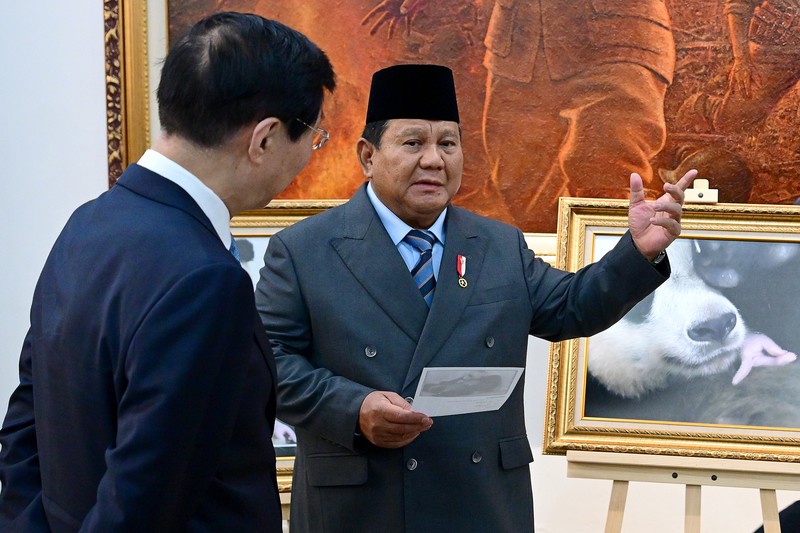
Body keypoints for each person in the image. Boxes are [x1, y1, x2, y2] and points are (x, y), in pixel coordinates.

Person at [256, 63, 695, 532]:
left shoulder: (497, 244)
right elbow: (267, 364)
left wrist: (636, 253)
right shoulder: (304, 250)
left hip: (480, 500)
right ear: (368, 156)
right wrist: (353, 409)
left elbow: (572, 307)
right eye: (413, 143)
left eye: (448, 143)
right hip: (362, 502)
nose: (433, 160)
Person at [0, 12, 334, 532]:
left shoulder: (90, 221)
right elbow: (143, 497)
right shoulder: (205, 279)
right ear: (265, 138)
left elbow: (26, 425)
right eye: (312, 138)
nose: (307, 160)